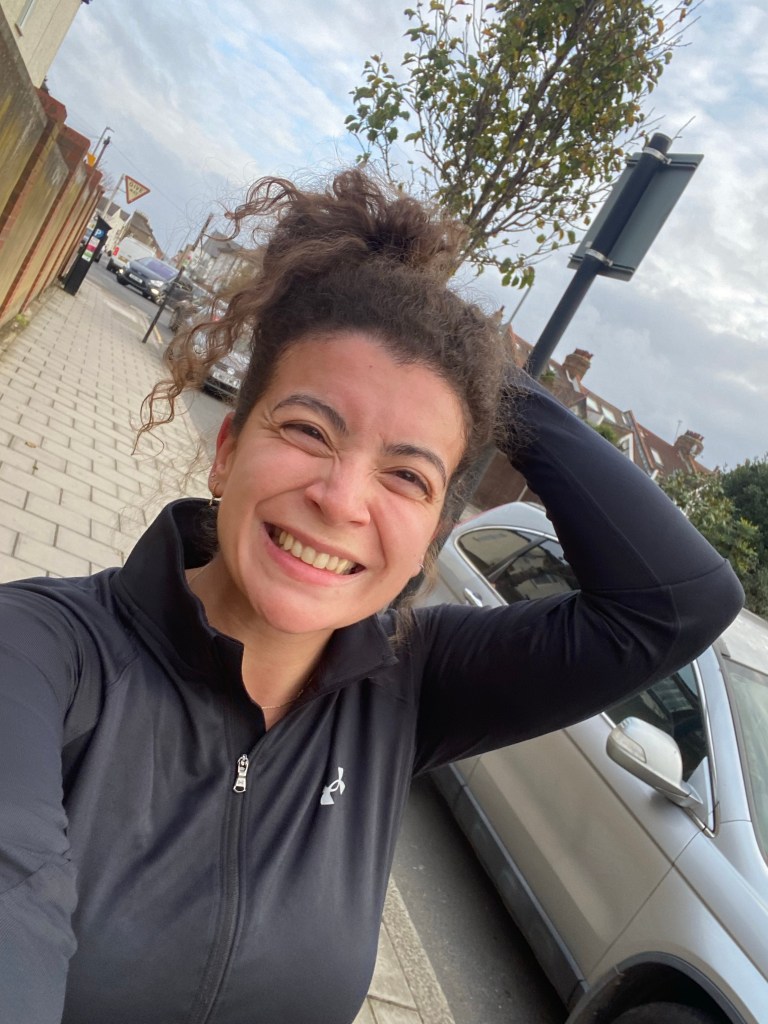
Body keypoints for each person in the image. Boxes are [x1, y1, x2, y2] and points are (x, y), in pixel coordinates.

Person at [0, 170, 743, 1024]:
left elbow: (679, 602)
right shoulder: (38, 654)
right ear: (227, 450)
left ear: (432, 536)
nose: (343, 500)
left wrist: (477, 369)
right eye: (310, 430)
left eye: (407, 475)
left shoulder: (407, 684)